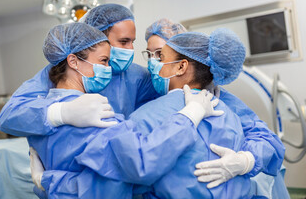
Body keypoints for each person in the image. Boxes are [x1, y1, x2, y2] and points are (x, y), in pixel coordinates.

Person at [28, 22, 226, 198]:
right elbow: (142, 165)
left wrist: (46, 181)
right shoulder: (100, 119)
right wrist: (190, 115)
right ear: (73, 62)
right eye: (104, 61)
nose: (109, 69)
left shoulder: (40, 115)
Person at [142, 19, 287, 198]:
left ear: (182, 63)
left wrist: (245, 161)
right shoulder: (149, 97)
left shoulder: (222, 102)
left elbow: (267, 139)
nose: (152, 62)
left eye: (160, 55)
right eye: (149, 54)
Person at [0, 4, 158, 137]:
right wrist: (60, 113)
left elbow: (168, 96)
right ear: (96, 37)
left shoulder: (136, 76)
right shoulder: (60, 72)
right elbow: (9, 116)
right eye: (123, 42)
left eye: (132, 42)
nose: (130, 49)